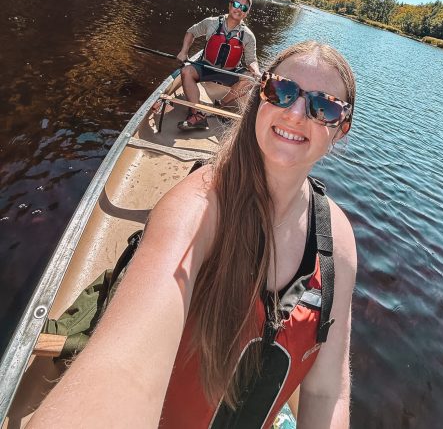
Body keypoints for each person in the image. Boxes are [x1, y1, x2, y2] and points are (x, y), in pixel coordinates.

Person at [28, 41, 357, 429]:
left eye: (324, 107)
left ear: (341, 129)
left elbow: (326, 391)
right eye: (281, 91)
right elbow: (126, 370)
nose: (297, 113)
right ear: (260, 98)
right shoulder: (197, 207)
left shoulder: (337, 240)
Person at [175, 0, 259, 130]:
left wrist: (256, 71)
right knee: (186, 71)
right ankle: (196, 115)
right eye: (236, 4)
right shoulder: (212, 23)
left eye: (244, 7)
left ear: (246, 13)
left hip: (229, 72)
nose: (239, 9)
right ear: (230, 5)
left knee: (250, 79)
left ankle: (221, 104)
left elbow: (251, 60)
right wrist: (184, 51)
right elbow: (191, 31)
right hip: (206, 66)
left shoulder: (248, 36)